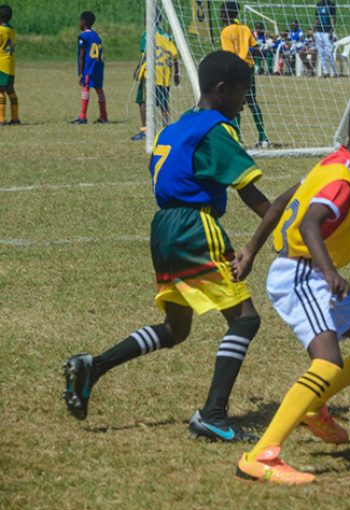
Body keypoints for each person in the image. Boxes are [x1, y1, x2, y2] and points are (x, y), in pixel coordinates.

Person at [61, 51, 294, 443]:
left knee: (175, 329)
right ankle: (213, 414)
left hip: (164, 227)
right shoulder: (217, 129)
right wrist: (283, 228)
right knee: (245, 319)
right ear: (222, 90)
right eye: (242, 93)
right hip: (194, 226)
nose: (244, 101)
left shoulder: (176, 127)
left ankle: (94, 366)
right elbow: (249, 192)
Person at [234, 94, 350, 486]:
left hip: (311, 273)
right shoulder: (343, 179)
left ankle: (315, 406)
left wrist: (250, 250)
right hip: (302, 274)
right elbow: (311, 223)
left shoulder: (336, 162)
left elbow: (281, 201)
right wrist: (329, 273)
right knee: (325, 362)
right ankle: (261, 456)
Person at [220, 1, 271, 147]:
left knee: (234, 103)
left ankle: (238, 139)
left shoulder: (225, 32)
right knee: (252, 102)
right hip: (248, 68)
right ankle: (263, 138)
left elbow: (228, 55)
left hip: (235, 69)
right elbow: (255, 48)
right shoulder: (245, 28)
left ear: (223, 15)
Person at [131, 19, 180, 141]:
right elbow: (175, 55)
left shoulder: (147, 34)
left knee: (142, 101)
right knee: (164, 104)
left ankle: (145, 131)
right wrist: (176, 73)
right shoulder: (166, 35)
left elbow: (146, 55)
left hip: (150, 73)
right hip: (164, 73)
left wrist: (137, 69)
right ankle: (166, 130)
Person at [73, 11, 107, 124]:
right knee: (99, 90)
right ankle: (103, 116)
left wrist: (81, 72)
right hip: (98, 66)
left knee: (85, 88)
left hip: (89, 68)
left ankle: (82, 116)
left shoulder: (83, 36)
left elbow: (82, 56)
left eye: (80, 21)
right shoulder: (96, 35)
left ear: (83, 22)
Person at [0, 4, 19, 125]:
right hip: (10, 64)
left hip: (1, 64)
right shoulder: (12, 30)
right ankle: (15, 118)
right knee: (10, 90)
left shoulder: (1, 30)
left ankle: (1, 119)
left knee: (0, 90)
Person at [314, 0, 337, 77]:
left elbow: (334, 19)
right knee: (321, 53)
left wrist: (331, 31)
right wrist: (315, 29)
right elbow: (316, 18)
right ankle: (326, 72)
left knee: (329, 53)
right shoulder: (318, 5)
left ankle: (334, 72)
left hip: (327, 32)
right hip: (319, 32)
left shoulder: (332, 5)